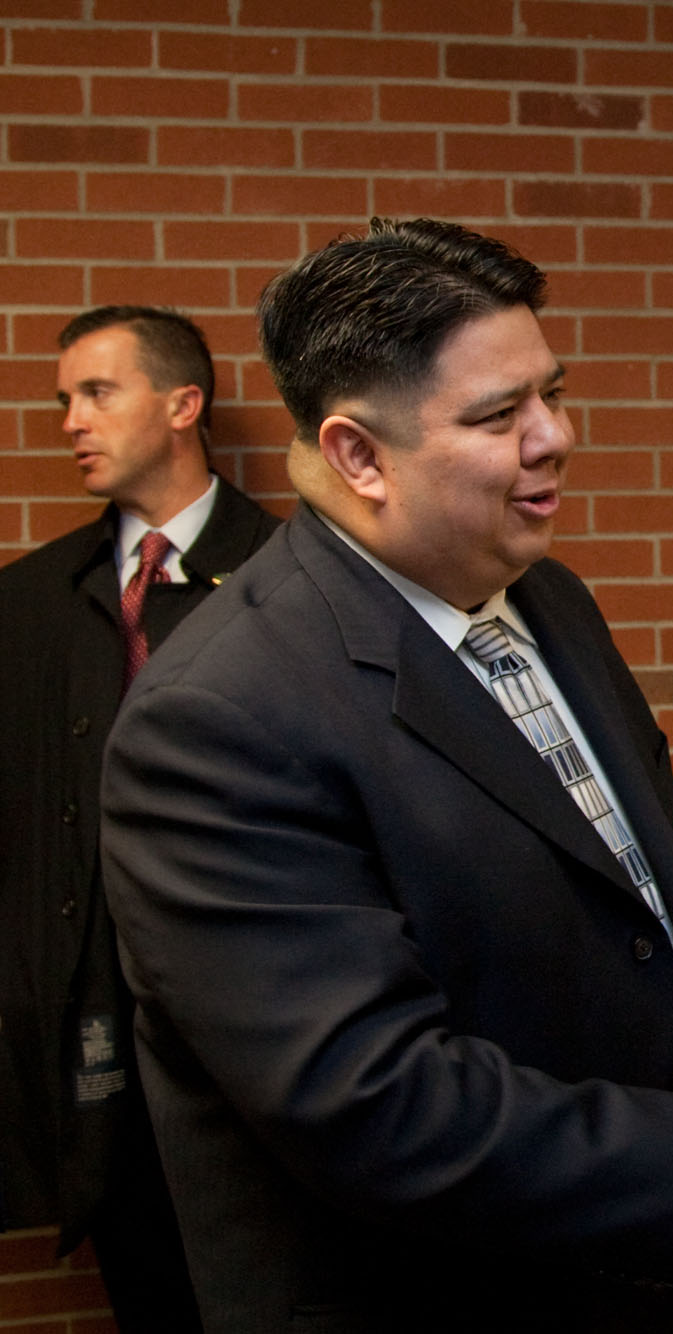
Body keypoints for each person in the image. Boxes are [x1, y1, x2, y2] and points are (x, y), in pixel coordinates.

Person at [97, 218, 673, 1334]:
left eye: (551, 392)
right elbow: (378, 1105)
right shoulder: (220, 716)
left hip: (631, 1277)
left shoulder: (549, 600)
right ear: (356, 453)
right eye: (499, 415)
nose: (555, 436)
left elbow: (649, 891)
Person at [1, 305, 280, 1331]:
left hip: (264, 1039)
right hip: (101, 1059)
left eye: (96, 391)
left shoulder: (291, 579)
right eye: (63, 399)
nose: (71, 418)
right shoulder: (33, 604)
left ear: (182, 404)